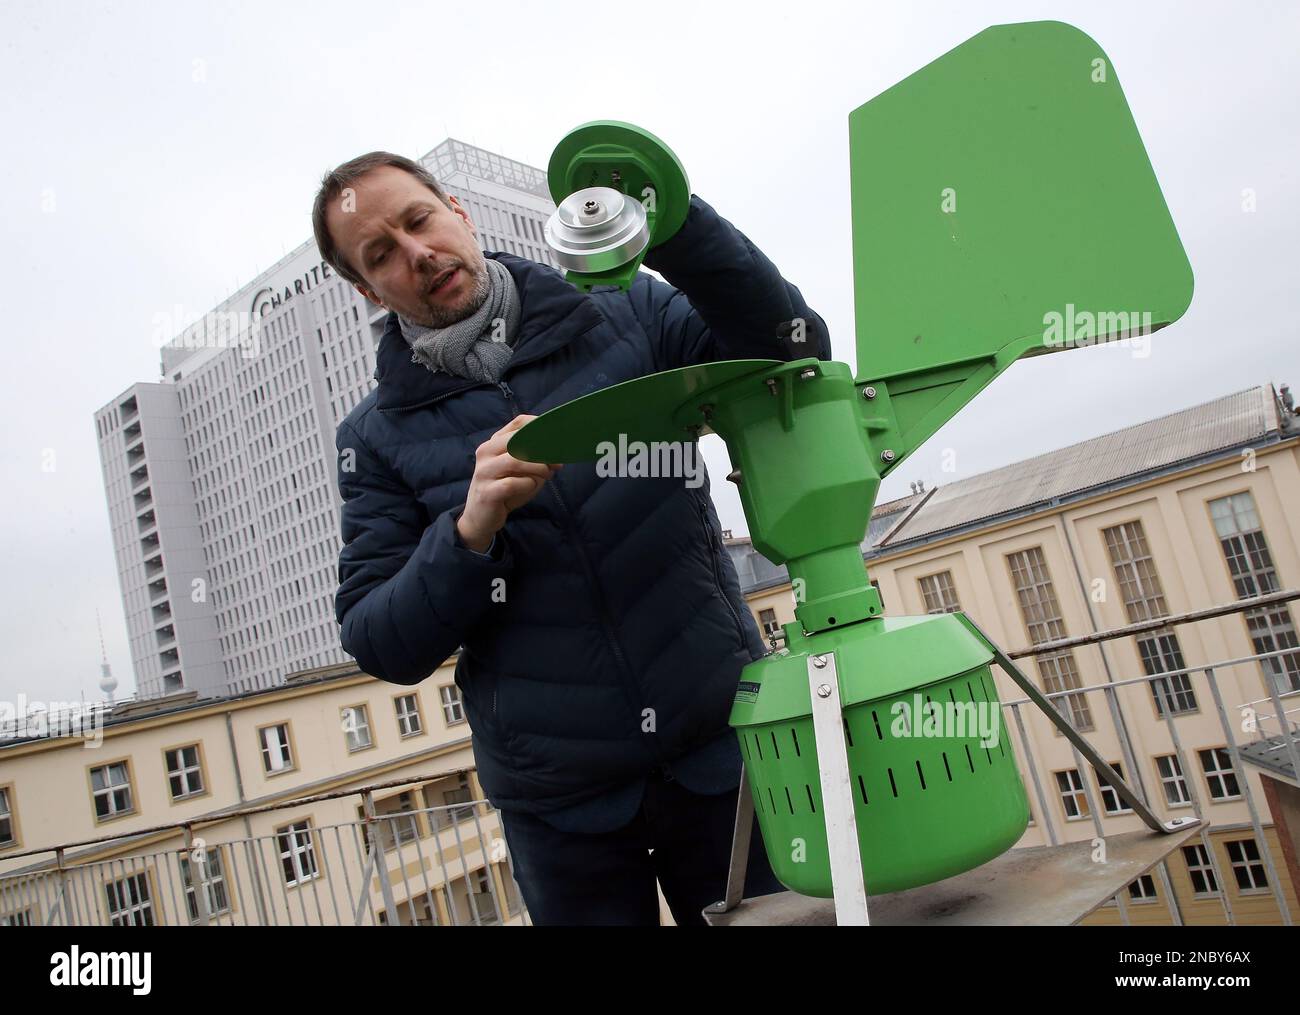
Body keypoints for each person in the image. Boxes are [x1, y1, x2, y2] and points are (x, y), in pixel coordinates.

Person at [311, 149, 831, 925]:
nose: (416, 254)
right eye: (380, 254)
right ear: (366, 289)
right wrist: (468, 533)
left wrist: (676, 223)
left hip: (726, 759)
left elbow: (790, 348)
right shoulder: (375, 437)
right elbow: (382, 641)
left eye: (419, 220)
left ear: (460, 210)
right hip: (561, 815)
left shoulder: (624, 310)